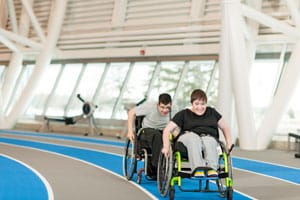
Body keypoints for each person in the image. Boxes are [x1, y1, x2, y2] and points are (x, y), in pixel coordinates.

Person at [161, 89, 232, 177]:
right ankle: (197, 169)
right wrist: (166, 146)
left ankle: (212, 169)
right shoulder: (184, 114)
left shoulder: (212, 112)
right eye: (197, 104)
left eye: (203, 104)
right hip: (187, 137)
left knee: (209, 140)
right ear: (192, 103)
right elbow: (167, 130)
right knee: (193, 138)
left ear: (206, 103)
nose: (200, 107)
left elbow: (225, 127)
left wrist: (228, 143)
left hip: (208, 137)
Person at [127, 93, 174, 178]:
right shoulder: (149, 107)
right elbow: (131, 113)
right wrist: (130, 131)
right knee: (157, 136)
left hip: (163, 131)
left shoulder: (174, 110)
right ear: (158, 104)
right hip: (147, 131)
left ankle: (170, 166)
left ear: (171, 105)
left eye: (167, 108)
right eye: (162, 107)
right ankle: (158, 165)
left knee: (172, 137)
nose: (165, 110)